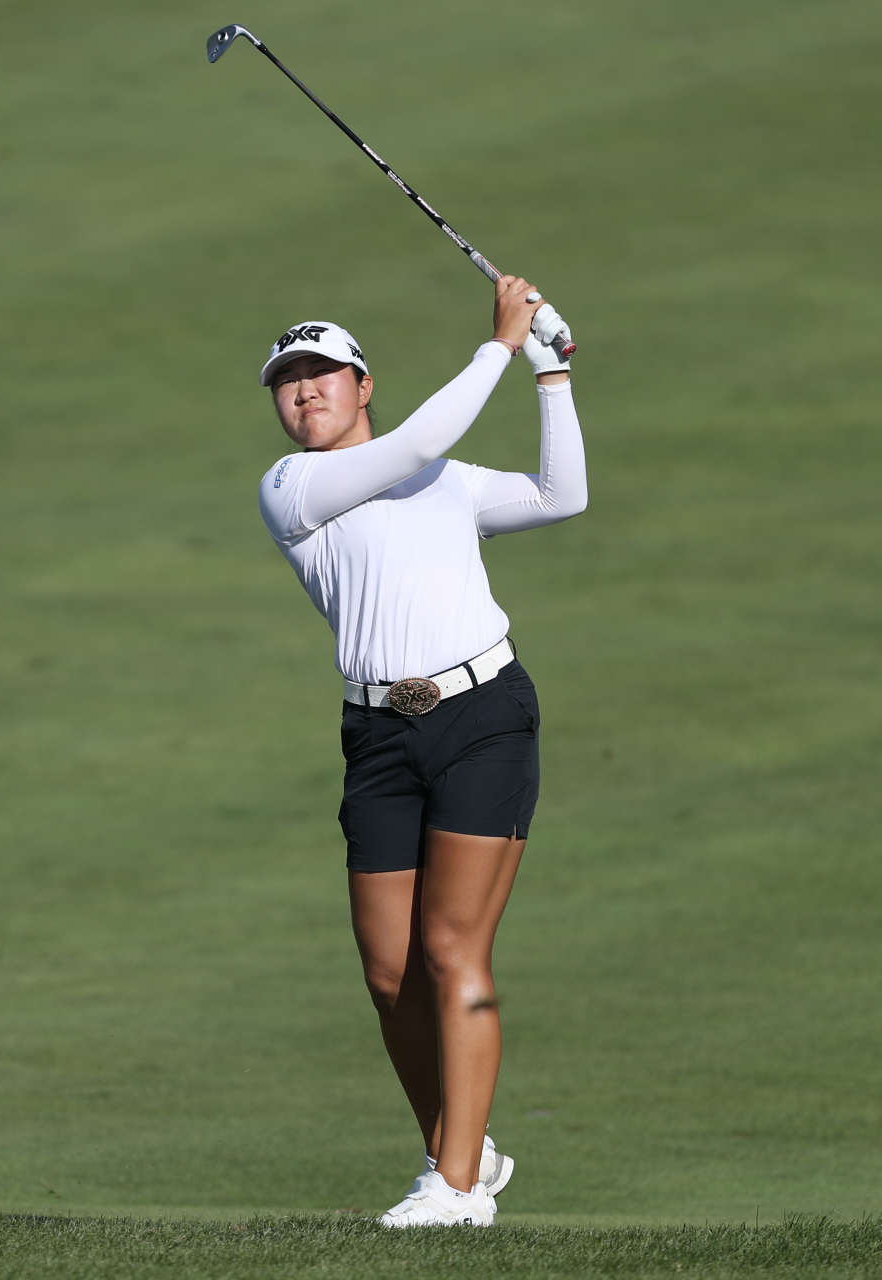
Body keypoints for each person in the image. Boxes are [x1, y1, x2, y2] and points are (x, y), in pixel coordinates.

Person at [253, 277, 587, 1228]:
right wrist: (499, 345)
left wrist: (550, 376)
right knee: (390, 971)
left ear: (364, 383)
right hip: (378, 738)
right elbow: (415, 443)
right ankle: (466, 1151)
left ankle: (451, 1188)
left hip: (483, 716)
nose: (306, 391)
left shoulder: (440, 481)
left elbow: (564, 495)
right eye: (288, 381)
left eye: (324, 374)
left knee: (451, 948)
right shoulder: (293, 488)